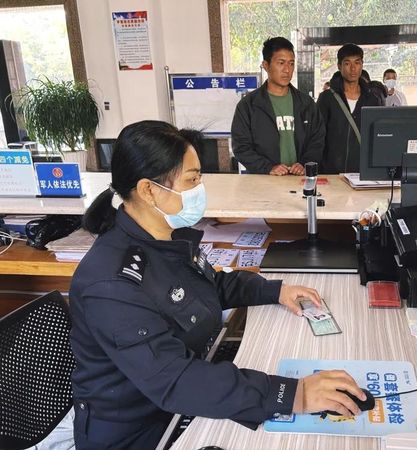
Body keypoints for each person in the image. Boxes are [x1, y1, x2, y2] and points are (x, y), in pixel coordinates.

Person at [70, 120, 366, 449]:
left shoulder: (167, 237)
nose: (200, 189)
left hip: (183, 402)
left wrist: (275, 290)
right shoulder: (111, 284)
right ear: (149, 190)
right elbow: (175, 381)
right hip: (140, 431)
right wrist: (294, 393)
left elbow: (208, 287)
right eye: (192, 179)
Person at [231, 37, 325, 176]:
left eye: (291, 63)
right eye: (281, 63)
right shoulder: (249, 105)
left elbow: (317, 140)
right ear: (266, 65)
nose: (287, 70)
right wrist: (268, 167)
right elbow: (241, 147)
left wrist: (305, 163)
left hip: (299, 179)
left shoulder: (306, 104)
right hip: (264, 181)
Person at [316, 43, 384, 174]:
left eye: (357, 63)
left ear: (362, 65)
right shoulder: (327, 98)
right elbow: (318, 136)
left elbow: (378, 137)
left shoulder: (372, 100)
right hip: (332, 174)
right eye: (347, 63)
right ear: (339, 66)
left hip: (362, 173)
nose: (353, 68)